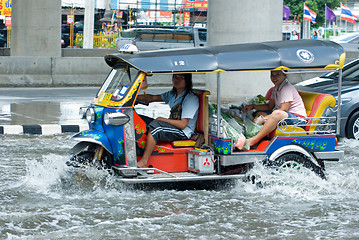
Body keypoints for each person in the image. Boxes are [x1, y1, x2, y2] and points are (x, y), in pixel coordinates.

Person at [136, 73, 199, 168]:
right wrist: (132, 97)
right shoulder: (173, 94)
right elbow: (152, 98)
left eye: (181, 78)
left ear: (187, 80)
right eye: (175, 77)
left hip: (183, 132)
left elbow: (183, 124)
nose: (176, 80)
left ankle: (143, 162)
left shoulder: (190, 98)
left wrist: (162, 119)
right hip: (173, 126)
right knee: (141, 119)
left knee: (156, 127)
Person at [241, 70, 307, 148]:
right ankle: (266, 127)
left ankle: (254, 139)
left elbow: (283, 110)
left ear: (285, 75)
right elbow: (269, 106)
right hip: (285, 117)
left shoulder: (286, 88)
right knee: (258, 112)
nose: (274, 78)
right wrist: (252, 106)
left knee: (276, 113)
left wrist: (264, 118)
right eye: (272, 75)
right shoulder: (276, 88)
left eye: (278, 75)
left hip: (298, 120)